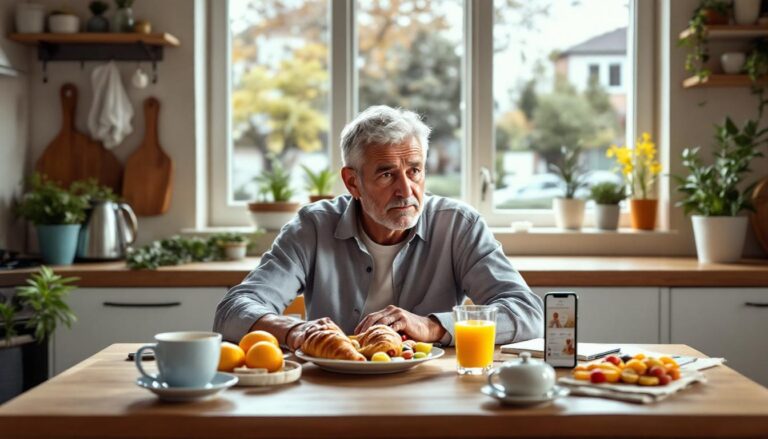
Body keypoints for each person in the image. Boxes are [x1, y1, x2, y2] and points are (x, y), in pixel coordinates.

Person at [213, 105, 543, 351]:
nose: (406, 190)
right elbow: (233, 310)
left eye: (414, 171)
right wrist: (294, 331)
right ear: (352, 182)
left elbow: (527, 312)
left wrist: (431, 326)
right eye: (386, 174)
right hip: (334, 389)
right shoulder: (312, 226)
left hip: (431, 388)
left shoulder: (458, 225)